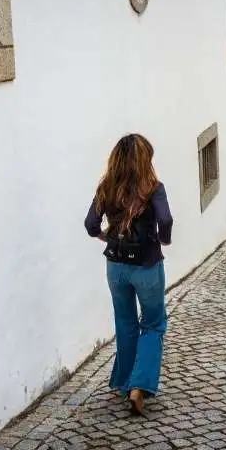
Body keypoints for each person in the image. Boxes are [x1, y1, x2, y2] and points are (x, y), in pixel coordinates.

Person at [84, 133, 173, 415]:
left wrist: (103, 236)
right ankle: (139, 386)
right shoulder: (153, 188)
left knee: (124, 322)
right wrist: (165, 239)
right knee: (153, 323)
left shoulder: (106, 187)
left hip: (116, 266)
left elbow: (90, 223)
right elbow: (166, 219)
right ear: (145, 160)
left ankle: (124, 382)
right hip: (146, 266)